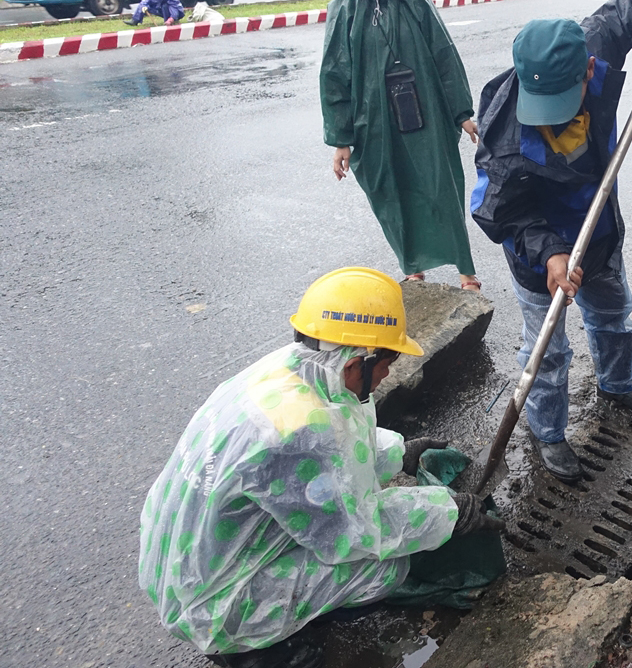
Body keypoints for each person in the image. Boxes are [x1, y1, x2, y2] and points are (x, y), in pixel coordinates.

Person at [138, 267, 505, 667]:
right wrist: (449, 512)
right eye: (388, 361)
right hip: (216, 606)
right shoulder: (300, 434)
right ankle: (254, 649)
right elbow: (357, 531)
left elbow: (337, 450)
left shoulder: (284, 371)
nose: (388, 374)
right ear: (355, 364)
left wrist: (399, 452)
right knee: (385, 567)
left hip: (180, 566)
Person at [470, 0, 632, 483]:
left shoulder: (591, 45)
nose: (552, 118)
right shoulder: (504, 133)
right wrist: (551, 253)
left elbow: (627, 11)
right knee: (548, 349)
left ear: (587, 69)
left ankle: (618, 384)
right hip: (539, 253)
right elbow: (501, 211)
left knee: (613, 314)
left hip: (599, 226)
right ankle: (547, 431)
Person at [320, 0, 482, 292]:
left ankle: (466, 271)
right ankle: (412, 266)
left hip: (425, 118)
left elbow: (444, 56)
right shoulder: (342, 10)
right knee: (390, 194)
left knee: (441, 187)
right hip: (372, 127)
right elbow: (333, 78)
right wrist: (341, 140)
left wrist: (462, 112)